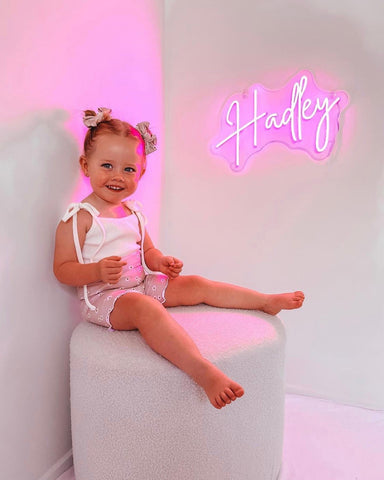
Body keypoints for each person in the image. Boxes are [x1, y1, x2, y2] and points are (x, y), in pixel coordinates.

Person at [53, 107, 305, 409]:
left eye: (128, 169)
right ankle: (203, 371)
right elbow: (63, 269)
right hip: (105, 298)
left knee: (195, 284)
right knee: (145, 308)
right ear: (85, 165)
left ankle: (264, 301)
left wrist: (161, 262)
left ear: (141, 172)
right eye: (107, 165)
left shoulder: (133, 212)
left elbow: (148, 252)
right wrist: (95, 270)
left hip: (140, 283)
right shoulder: (80, 217)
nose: (117, 177)